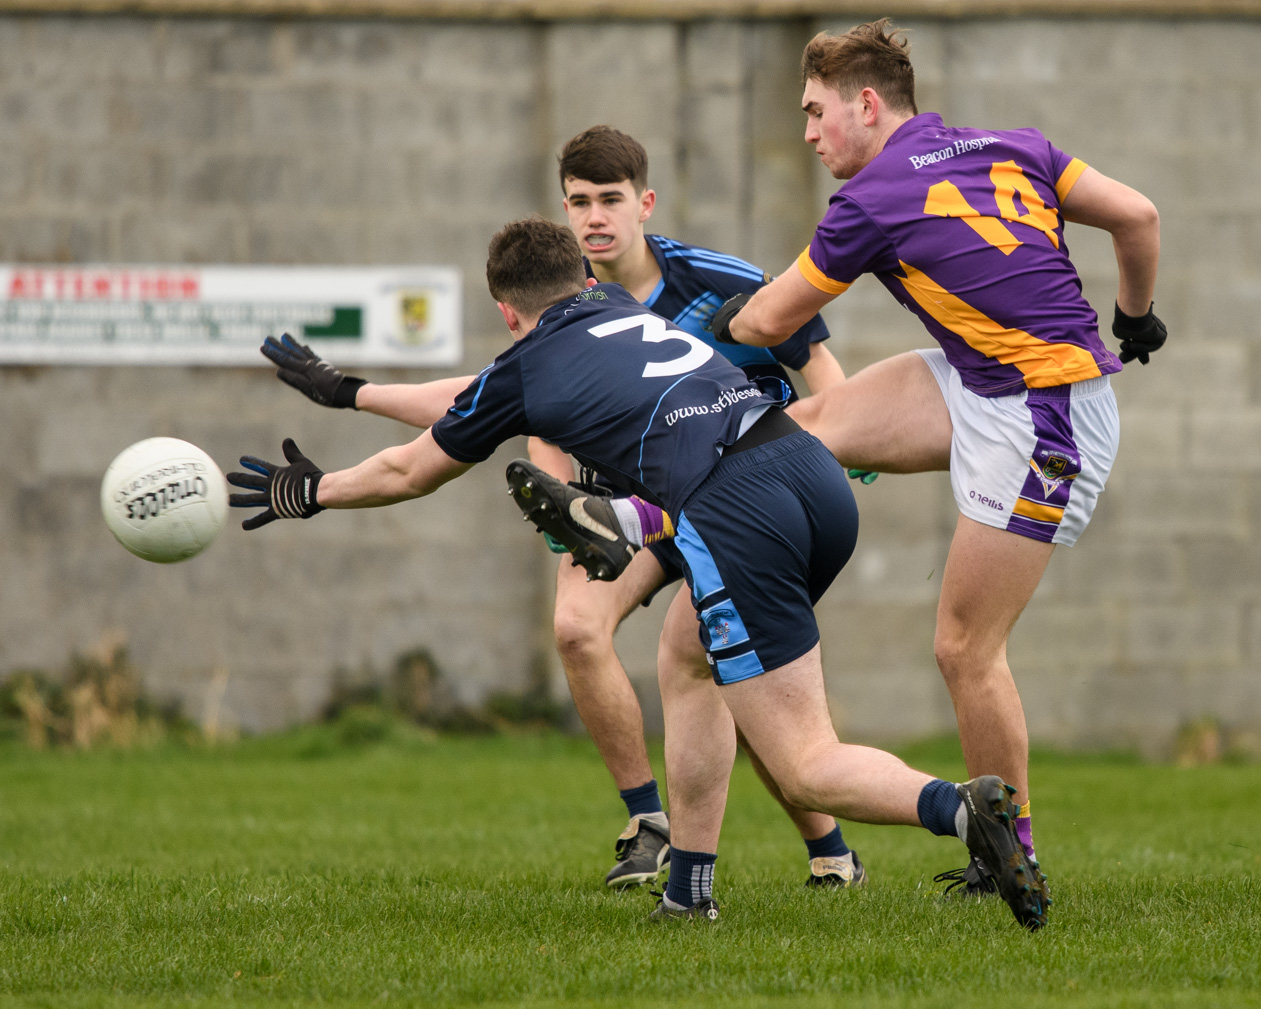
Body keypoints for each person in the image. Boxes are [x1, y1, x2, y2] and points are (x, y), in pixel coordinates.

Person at [228, 215, 1048, 929]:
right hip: (809, 472)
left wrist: (314, 491)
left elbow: (414, 468)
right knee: (685, 654)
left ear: (508, 314)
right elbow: (480, 392)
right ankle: (689, 890)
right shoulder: (618, 306)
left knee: (802, 758)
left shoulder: (522, 367)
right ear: (582, 278)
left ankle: (961, 807)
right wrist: (356, 392)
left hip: (734, 510)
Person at [519, 19, 1163, 896]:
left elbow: (767, 322)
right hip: (983, 382)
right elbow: (1137, 215)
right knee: (808, 425)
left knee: (964, 649)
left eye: (818, 113)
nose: (811, 134)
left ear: (867, 104)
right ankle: (633, 519)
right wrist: (1135, 314)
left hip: (1044, 419)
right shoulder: (1014, 146)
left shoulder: (869, 200)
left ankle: (1011, 849)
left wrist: (709, 321)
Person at [261, 125, 870, 891]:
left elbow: (811, 358)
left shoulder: (713, 278)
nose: (594, 217)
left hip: (739, 487)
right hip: (633, 505)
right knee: (580, 628)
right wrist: (349, 391)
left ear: (644, 203)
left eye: (609, 199)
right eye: (578, 202)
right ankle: (649, 822)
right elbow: (491, 398)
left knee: (725, 671)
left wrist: (846, 435)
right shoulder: (561, 289)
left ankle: (825, 848)